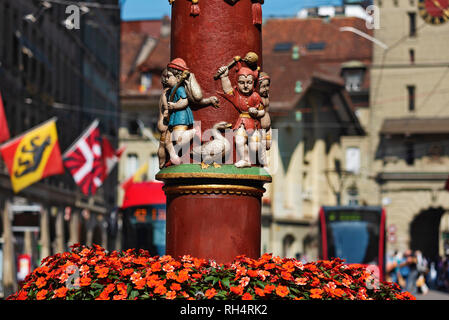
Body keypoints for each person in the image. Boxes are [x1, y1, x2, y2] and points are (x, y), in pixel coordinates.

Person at [216, 64, 264, 168]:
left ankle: (261, 156)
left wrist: (256, 112)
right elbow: (227, 89)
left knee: (254, 146)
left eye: (249, 83)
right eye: (242, 83)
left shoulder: (255, 96)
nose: (245, 86)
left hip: (253, 123)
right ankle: (245, 159)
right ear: (237, 84)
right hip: (242, 122)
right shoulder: (237, 95)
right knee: (239, 140)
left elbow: (262, 112)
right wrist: (224, 76)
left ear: (253, 83)